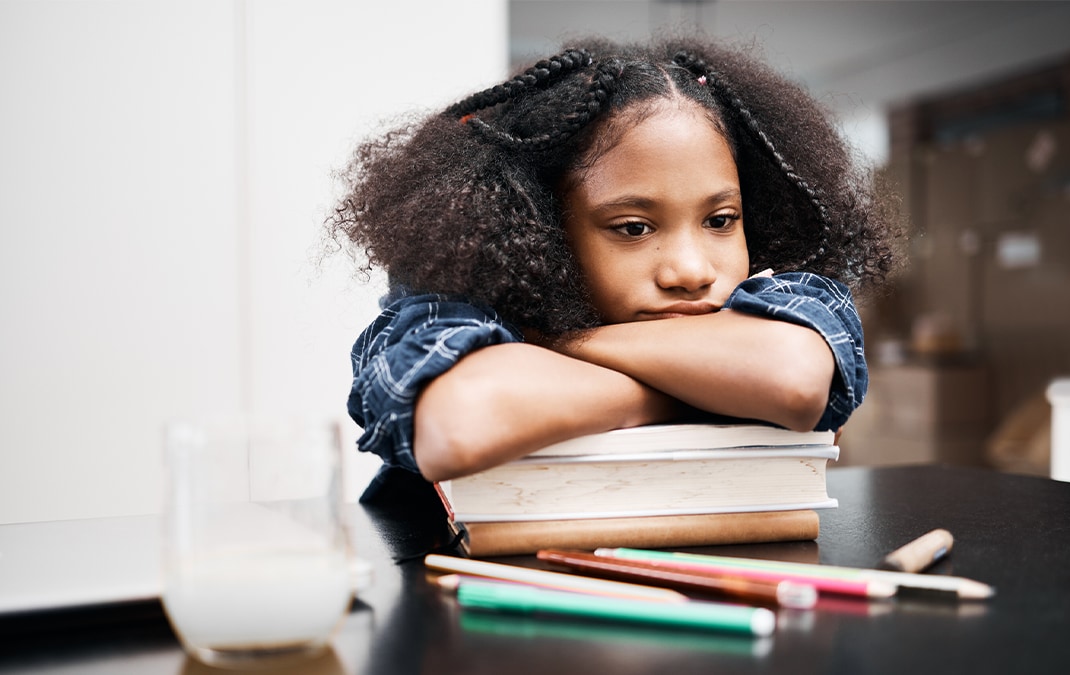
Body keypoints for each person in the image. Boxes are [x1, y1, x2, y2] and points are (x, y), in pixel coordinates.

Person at [327, 35, 900, 498]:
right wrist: (706, 387)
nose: (691, 270)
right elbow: (461, 422)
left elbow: (792, 381)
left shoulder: (784, 293)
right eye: (633, 228)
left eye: (721, 220)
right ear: (542, 229)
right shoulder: (450, 302)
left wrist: (552, 343)